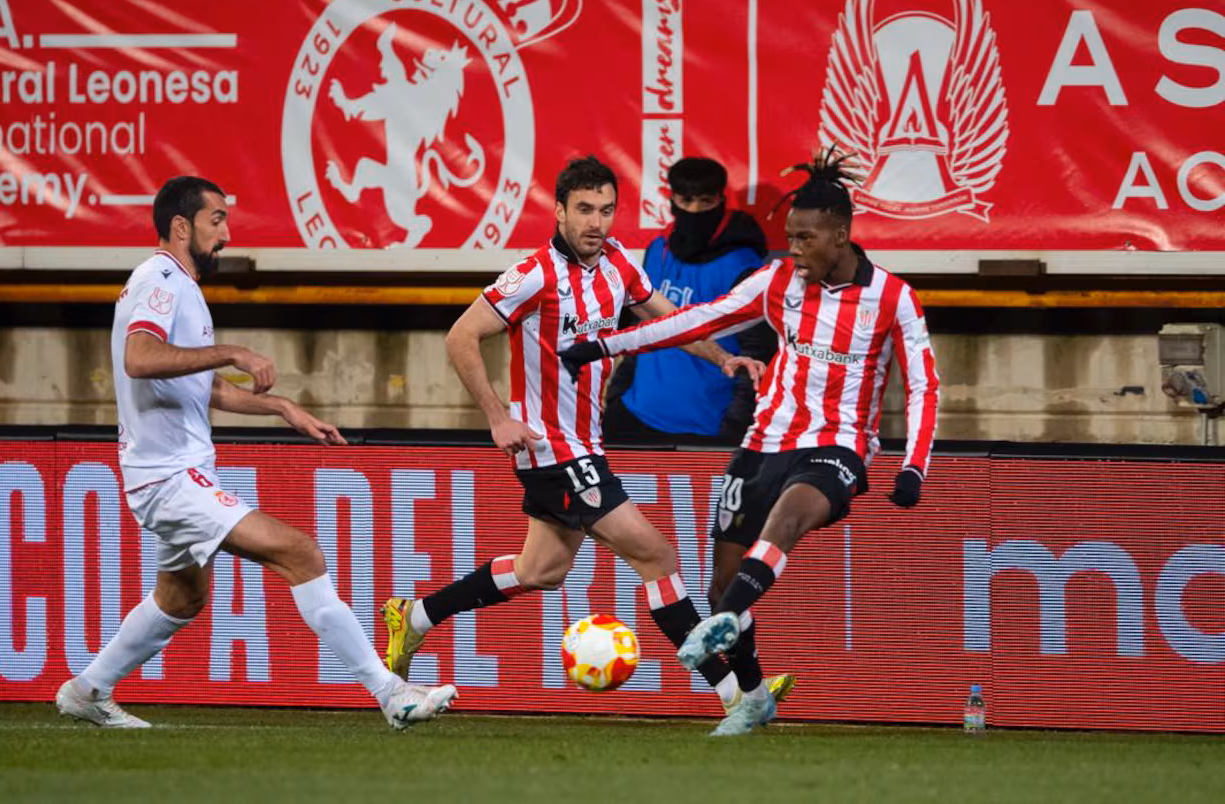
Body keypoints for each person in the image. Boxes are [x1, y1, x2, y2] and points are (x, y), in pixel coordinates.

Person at [378, 156, 790, 727]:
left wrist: (723, 357)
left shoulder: (618, 263)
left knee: (541, 569)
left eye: (606, 210)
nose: (596, 222)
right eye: (585, 210)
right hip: (550, 447)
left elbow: (669, 321)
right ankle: (735, 694)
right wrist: (497, 416)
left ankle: (416, 616)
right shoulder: (534, 275)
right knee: (657, 554)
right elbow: (461, 336)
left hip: (585, 444)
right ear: (560, 211)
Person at [560, 147, 940, 736]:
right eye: (790, 238)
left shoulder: (892, 298)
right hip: (764, 442)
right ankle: (756, 697)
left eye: (806, 239)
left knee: (787, 518)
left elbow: (924, 386)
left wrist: (914, 465)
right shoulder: (778, 281)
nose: (795, 249)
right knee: (720, 583)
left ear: (841, 235)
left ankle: (723, 623)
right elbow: (699, 320)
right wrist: (608, 344)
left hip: (837, 444)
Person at [55, 175, 457, 730]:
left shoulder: (179, 286)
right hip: (169, 478)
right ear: (181, 226)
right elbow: (140, 358)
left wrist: (282, 408)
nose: (225, 234)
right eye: (216, 220)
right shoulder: (160, 278)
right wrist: (233, 351)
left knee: (181, 597)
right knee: (300, 552)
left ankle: (87, 690)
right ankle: (392, 693)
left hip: (170, 473)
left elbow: (200, 385)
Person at [603, 156, 776, 445]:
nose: (695, 211)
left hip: (704, 430)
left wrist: (734, 430)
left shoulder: (744, 267)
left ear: (721, 201)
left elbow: (758, 356)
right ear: (672, 200)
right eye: (686, 201)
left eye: (706, 202)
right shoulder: (657, 250)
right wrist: (617, 395)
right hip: (633, 416)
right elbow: (641, 328)